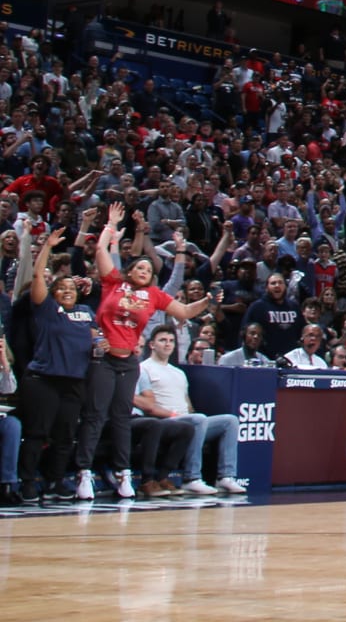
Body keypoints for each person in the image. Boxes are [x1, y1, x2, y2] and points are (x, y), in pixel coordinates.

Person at [73, 204, 213, 501]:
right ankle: (83, 473)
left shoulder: (154, 295)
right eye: (139, 267)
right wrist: (110, 225)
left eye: (148, 269)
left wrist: (207, 302)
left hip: (128, 362)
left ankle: (124, 475)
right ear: (130, 270)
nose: (144, 271)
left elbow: (185, 311)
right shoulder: (114, 283)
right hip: (103, 359)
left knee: (123, 417)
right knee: (96, 415)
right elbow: (100, 252)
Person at [17, 229, 95, 502]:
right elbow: (38, 277)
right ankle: (27, 483)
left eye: (71, 288)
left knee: (65, 436)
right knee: (37, 434)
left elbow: (96, 340)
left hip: (74, 381)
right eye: (61, 288)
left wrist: (102, 345)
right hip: (43, 379)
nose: (66, 291)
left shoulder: (86, 314)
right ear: (53, 293)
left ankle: (55, 482)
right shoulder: (47, 310)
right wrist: (47, 248)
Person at [133, 325, 247, 495]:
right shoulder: (144, 368)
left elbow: (188, 404)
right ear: (152, 344)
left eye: (171, 341)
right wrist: (175, 414)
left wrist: (190, 414)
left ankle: (226, 477)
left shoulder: (179, 372)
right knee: (198, 419)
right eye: (163, 340)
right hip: (166, 421)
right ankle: (192, 478)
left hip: (189, 419)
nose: (167, 344)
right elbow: (148, 406)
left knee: (230, 421)